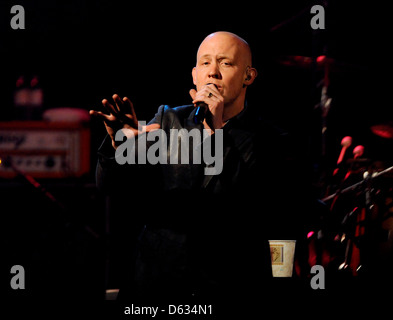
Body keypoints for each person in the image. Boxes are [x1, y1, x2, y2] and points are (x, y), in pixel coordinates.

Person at [93, 31, 304, 302]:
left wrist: (214, 133)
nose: (213, 72)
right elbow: (111, 187)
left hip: (228, 287)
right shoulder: (168, 120)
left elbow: (263, 214)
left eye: (225, 63)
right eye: (205, 63)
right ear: (194, 75)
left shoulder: (271, 141)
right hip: (158, 286)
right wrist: (117, 147)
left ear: (248, 76)